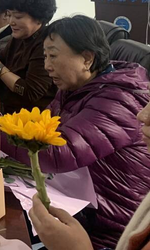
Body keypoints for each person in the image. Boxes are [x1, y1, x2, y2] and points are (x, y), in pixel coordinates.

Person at [0, 15, 150, 249]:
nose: (47, 65)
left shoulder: (118, 99)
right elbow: (42, 126)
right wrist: (0, 123)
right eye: (45, 56)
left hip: (104, 231)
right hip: (73, 203)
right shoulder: (78, 86)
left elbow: (57, 152)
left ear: (87, 59)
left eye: (53, 56)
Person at [31, 96, 150, 250]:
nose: (142, 116)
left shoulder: (115, 101)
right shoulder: (69, 93)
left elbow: (60, 153)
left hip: (102, 229)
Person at [0, 0, 57, 114]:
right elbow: (0, 60)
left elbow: (30, 92)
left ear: (38, 18)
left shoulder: (45, 45)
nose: (11, 22)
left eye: (18, 17)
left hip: (30, 118)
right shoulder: (19, 38)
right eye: (9, 15)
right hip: (8, 110)